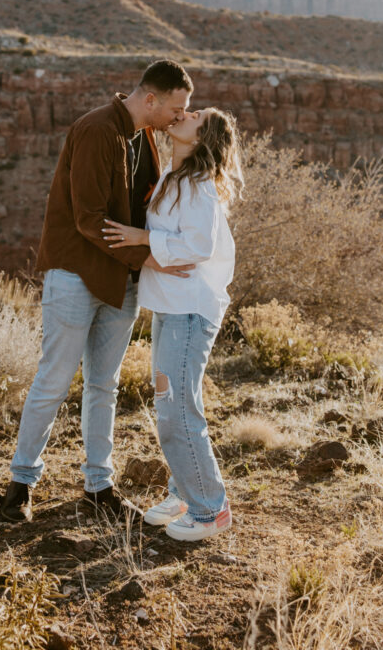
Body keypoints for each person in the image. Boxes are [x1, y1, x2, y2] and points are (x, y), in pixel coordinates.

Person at [1, 60, 196, 523]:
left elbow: (153, 202)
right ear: (151, 99)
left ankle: (98, 486)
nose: (178, 116)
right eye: (176, 107)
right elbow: (89, 219)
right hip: (76, 274)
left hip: (121, 279)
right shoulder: (94, 130)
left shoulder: (145, 135)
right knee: (53, 380)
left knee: (103, 385)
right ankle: (19, 485)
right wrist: (150, 260)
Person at [102, 107, 243, 542]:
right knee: (173, 405)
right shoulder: (175, 178)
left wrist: (144, 239)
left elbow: (199, 245)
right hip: (171, 308)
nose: (185, 113)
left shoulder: (198, 186)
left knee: (177, 410)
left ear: (202, 138)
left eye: (196, 115)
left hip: (189, 311)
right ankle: (184, 493)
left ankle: (209, 510)